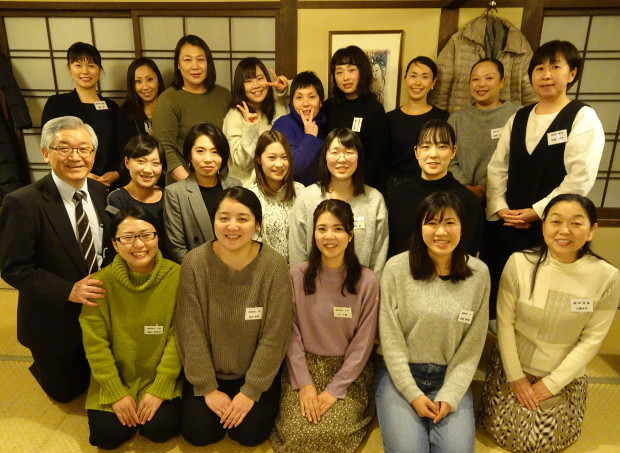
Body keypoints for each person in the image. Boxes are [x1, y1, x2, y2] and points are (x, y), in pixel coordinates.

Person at [478, 194, 619, 452]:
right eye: (556, 221)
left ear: (591, 231)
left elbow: (592, 340)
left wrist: (551, 384)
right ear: (543, 226)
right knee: (511, 435)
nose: (564, 230)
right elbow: (505, 324)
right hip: (514, 368)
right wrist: (516, 378)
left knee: (544, 441)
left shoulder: (607, 277)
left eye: (576, 223)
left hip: (564, 374)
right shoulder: (519, 263)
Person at [485, 40, 605, 321]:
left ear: (572, 74)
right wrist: (500, 207)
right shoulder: (519, 117)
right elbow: (497, 167)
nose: (546, 75)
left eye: (555, 67)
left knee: (539, 299)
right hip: (508, 222)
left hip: (553, 227)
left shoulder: (582, 117)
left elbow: (579, 178)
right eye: (539, 68)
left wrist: (538, 212)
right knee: (501, 293)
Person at [0, 116, 112, 403]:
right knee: (66, 393)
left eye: (84, 148)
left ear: (93, 154)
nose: (75, 156)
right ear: (45, 153)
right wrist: (68, 290)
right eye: (64, 148)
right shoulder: (22, 203)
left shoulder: (100, 192)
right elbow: (14, 268)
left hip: (98, 313)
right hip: (53, 318)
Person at [175, 187, 292, 447]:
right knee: (199, 434)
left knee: (249, 435)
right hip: (208, 373)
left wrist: (251, 391)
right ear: (213, 220)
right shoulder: (194, 263)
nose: (232, 226)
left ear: (257, 224)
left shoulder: (274, 265)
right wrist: (207, 388)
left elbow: (276, 334)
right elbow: (189, 330)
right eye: (224, 217)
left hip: (254, 374)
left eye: (243, 218)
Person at [376, 191, 490, 453]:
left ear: (462, 228)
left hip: (450, 377)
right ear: (420, 227)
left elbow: (472, 347)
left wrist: (450, 396)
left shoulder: (479, 274)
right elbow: (391, 341)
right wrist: (413, 394)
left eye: (449, 223)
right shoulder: (396, 268)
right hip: (400, 375)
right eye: (432, 223)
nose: (441, 232)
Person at [271, 199, 379, 453]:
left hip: (348, 372)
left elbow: (363, 344)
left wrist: (334, 390)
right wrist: (305, 385)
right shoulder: (296, 275)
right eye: (322, 229)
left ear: (350, 235)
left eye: (338, 229)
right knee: (298, 433)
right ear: (314, 234)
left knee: (332, 433)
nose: (329, 236)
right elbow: (290, 334)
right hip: (302, 368)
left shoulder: (367, 281)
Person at [79, 206, 182, 450]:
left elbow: (180, 337)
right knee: (107, 436)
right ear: (115, 244)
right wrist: (115, 391)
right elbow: (95, 344)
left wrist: (160, 387)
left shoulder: (178, 276)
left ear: (158, 237)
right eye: (128, 237)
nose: (139, 244)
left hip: (159, 376)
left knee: (160, 429)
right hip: (116, 376)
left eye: (147, 235)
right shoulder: (98, 284)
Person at [289, 128, 388, 276]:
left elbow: (378, 256)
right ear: (325, 157)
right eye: (335, 152)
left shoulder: (374, 200)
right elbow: (297, 252)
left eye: (349, 152)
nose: (342, 159)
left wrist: (371, 286)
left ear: (359, 157)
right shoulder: (307, 198)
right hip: (313, 285)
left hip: (361, 286)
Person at [387, 119, 482, 257]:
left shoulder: (467, 200)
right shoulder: (396, 196)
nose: (433, 154)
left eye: (442, 147)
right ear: (416, 152)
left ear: (453, 151)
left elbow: (468, 254)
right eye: (426, 147)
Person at [153, 35, 231, 183]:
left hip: (221, 182)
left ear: (208, 63)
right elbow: (164, 148)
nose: (195, 66)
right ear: (178, 64)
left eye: (200, 59)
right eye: (187, 60)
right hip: (183, 184)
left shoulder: (224, 95)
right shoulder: (168, 99)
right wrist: (191, 185)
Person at [41, 42, 120, 187]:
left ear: (99, 69)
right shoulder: (56, 104)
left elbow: (122, 145)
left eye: (91, 65)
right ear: (70, 69)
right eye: (78, 65)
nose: (85, 71)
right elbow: (50, 145)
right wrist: (84, 173)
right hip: (71, 180)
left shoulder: (112, 107)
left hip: (111, 183)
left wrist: (117, 172)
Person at [163, 122, 241, 264]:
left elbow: (242, 233)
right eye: (200, 151)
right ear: (189, 156)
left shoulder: (235, 186)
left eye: (215, 152)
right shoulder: (175, 193)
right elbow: (177, 247)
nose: (208, 159)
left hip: (235, 265)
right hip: (197, 268)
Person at [448, 58, 520, 203]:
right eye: (475, 79)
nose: (481, 84)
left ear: (502, 82)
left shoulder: (517, 115)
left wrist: (484, 185)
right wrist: (466, 187)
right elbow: (447, 157)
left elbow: (517, 157)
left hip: (504, 198)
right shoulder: (456, 118)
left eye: (489, 78)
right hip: (461, 197)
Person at [322, 45, 388, 190]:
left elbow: (376, 156)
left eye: (351, 70)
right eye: (339, 72)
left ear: (362, 72)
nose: (345, 78)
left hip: (364, 185)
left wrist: (357, 186)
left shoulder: (374, 109)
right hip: (332, 184)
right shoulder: (327, 107)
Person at [224, 57, 289, 186]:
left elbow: (304, 92)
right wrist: (250, 127)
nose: (256, 85)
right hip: (248, 187)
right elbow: (243, 163)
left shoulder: (277, 103)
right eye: (248, 81)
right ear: (241, 86)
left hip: (280, 182)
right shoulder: (234, 116)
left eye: (260, 78)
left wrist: (284, 88)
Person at [386, 56, 449, 190]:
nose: (418, 82)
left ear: (433, 82)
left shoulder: (442, 118)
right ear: (405, 80)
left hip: (432, 186)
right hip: (395, 188)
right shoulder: (389, 118)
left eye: (424, 77)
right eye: (413, 76)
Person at [107, 134, 169, 259]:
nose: (148, 170)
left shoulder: (169, 196)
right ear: (127, 162)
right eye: (141, 161)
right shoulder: (117, 199)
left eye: (155, 163)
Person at [249, 130, 304, 259]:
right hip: (266, 269)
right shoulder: (251, 196)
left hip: (299, 268)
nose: (279, 164)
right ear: (259, 159)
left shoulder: (300, 191)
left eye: (284, 157)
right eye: (272, 158)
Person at [272, 70, 328, 186]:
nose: (305, 103)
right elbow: (290, 169)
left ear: (320, 102)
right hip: (291, 193)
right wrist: (310, 137)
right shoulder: (283, 125)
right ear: (292, 102)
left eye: (311, 97)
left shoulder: (325, 125)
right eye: (299, 97)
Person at [116, 58, 164, 177]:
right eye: (138, 81)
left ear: (158, 80)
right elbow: (125, 154)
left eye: (150, 79)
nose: (145, 87)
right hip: (139, 176)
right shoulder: (125, 113)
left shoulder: (169, 108)